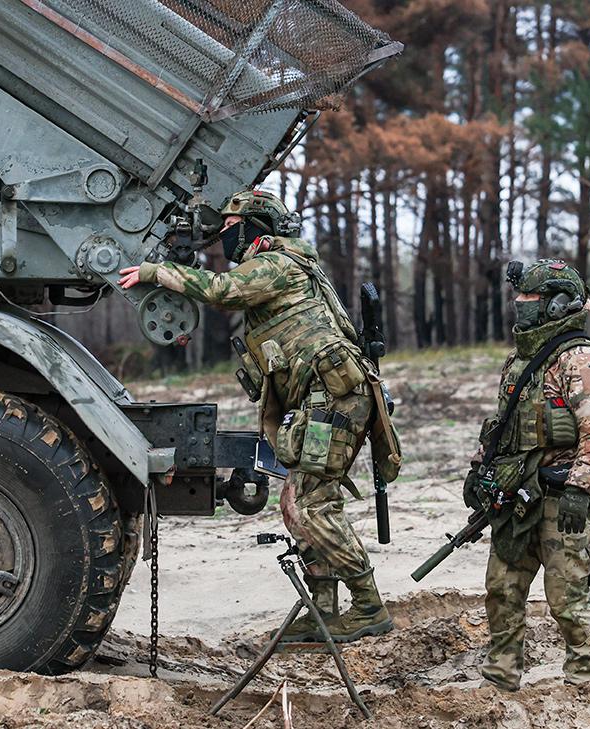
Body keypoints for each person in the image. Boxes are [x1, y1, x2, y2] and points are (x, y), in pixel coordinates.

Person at [119, 189, 398, 643]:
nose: (223, 241)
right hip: (324, 398)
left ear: (255, 228)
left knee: (310, 506)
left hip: (334, 399)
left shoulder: (277, 264)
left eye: (230, 230)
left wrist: (158, 273)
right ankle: (323, 609)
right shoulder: (280, 268)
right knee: (295, 505)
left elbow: (221, 290)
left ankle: (369, 607)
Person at [464, 258, 590, 691]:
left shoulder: (582, 360)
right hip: (518, 494)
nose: (520, 306)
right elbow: (502, 426)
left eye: (529, 299)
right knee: (502, 587)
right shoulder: (520, 360)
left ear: (557, 305)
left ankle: (583, 680)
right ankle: (501, 675)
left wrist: (578, 489)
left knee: (567, 595)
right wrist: (480, 469)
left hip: (562, 496)